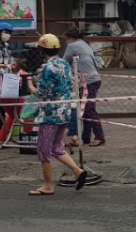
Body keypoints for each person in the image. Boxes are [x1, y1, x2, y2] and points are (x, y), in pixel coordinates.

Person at [28, 33, 93, 195]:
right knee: (57, 147)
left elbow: (41, 92)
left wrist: (29, 84)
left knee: (44, 150)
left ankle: (48, 185)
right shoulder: (64, 63)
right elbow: (70, 83)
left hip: (49, 114)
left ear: (42, 50)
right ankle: (77, 171)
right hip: (64, 111)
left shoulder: (47, 69)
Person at [64, 27, 105, 146]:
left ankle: (100, 136)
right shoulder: (84, 44)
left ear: (69, 38)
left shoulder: (72, 46)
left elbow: (64, 62)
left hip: (88, 81)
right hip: (93, 79)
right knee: (85, 109)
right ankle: (85, 137)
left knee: (88, 109)